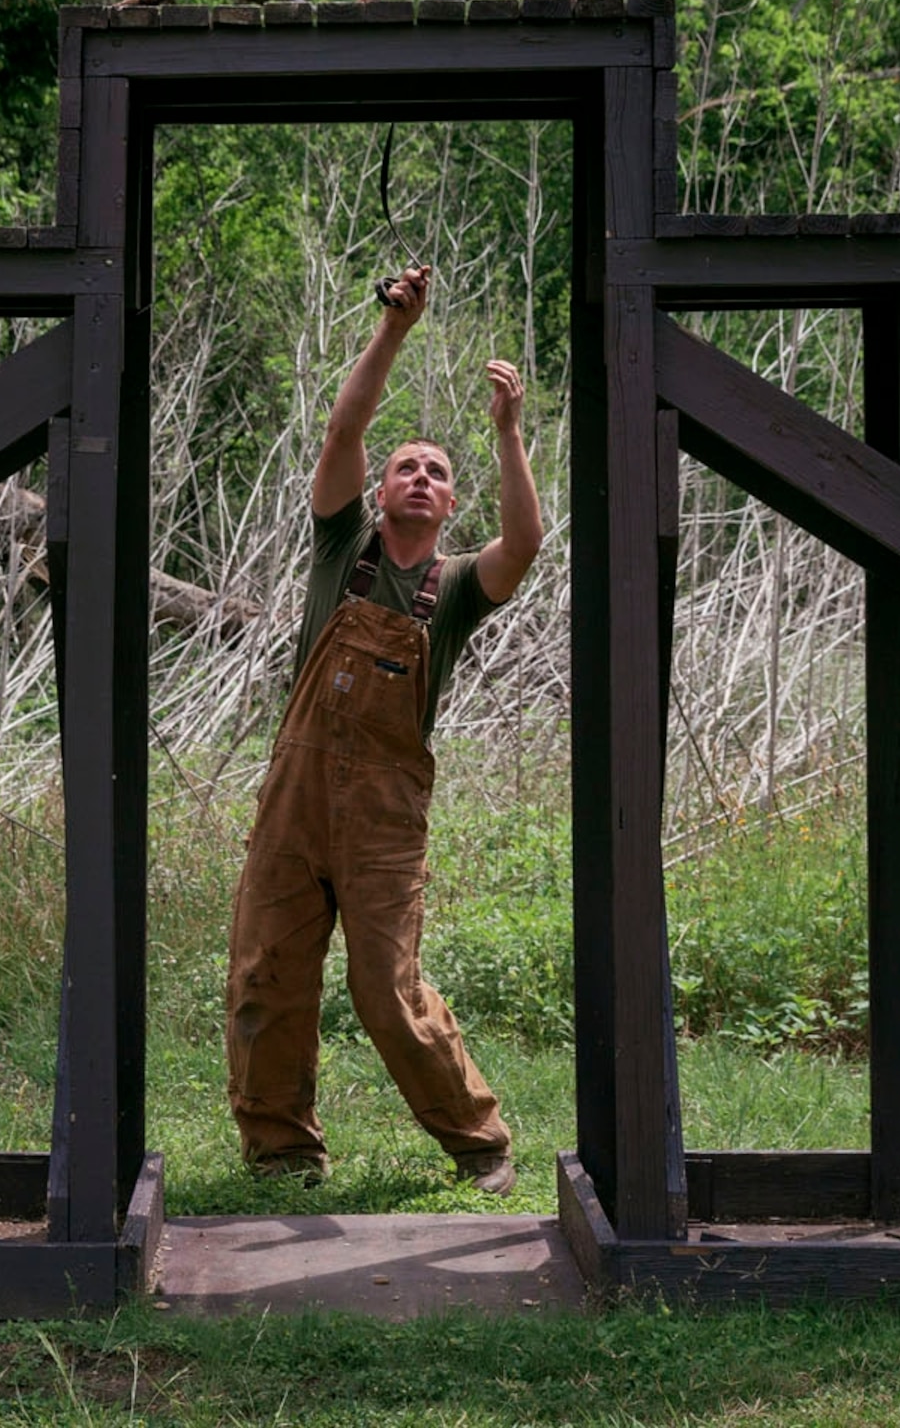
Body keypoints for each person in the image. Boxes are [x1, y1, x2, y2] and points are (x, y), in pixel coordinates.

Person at [224, 263, 542, 1195]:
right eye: (408, 465)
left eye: (438, 473)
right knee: (267, 975)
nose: (419, 476)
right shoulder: (338, 546)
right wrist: (395, 331)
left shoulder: (454, 593)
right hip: (294, 801)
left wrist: (508, 433)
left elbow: (523, 544)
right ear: (380, 488)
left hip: (384, 818)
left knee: (386, 990)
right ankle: (281, 1153)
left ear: (449, 507)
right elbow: (345, 426)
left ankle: (481, 1143)